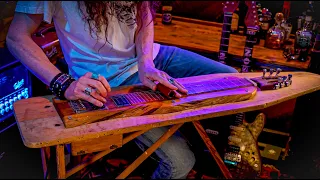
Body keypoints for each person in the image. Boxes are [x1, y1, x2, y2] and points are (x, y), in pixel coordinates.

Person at [6, 1, 238, 179]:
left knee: (234, 81)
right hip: (108, 84)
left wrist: (145, 63)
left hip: (152, 59)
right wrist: (64, 84)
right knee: (180, 163)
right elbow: (16, 38)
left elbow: (143, 12)